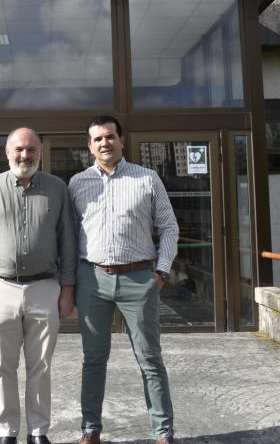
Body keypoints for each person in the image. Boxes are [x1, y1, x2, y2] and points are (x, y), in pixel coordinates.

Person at [68, 115, 180, 444]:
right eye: (98, 139)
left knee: (150, 359)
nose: (105, 143)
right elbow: (71, 236)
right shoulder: (77, 184)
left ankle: (164, 432)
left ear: (122, 140)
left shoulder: (147, 179)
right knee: (93, 360)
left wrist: (161, 271)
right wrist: (72, 282)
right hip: (93, 278)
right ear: (89, 146)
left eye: (110, 137)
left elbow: (170, 227)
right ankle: (90, 430)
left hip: (139, 278)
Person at [0, 127, 77, 444]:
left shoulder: (57, 188)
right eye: (18, 149)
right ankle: (6, 431)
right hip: (0, 289)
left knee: (40, 366)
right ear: (7, 152)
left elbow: (67, 241)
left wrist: (67, 289)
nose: (24, 155)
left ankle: (39, 430)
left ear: (40, 152)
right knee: (2, 365)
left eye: (31, 149)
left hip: (46, 287)